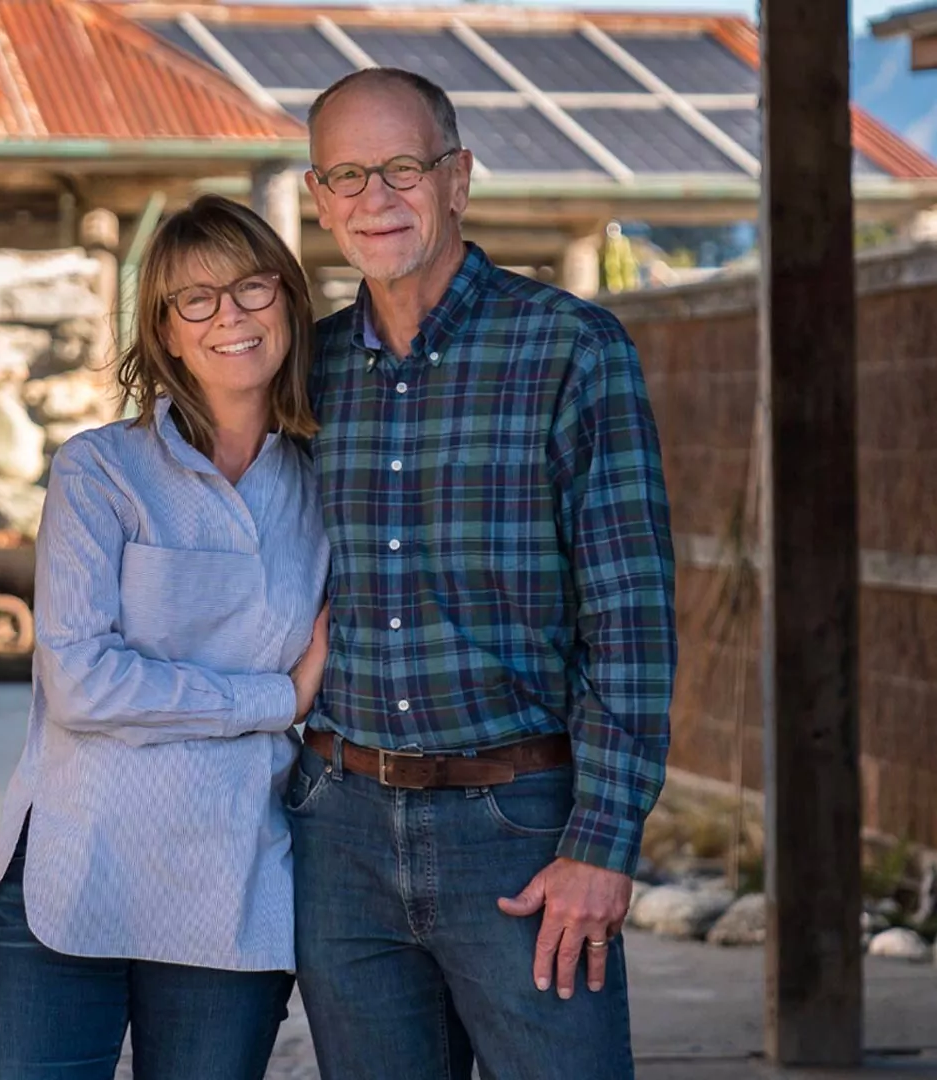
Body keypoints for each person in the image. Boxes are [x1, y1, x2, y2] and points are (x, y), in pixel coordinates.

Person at [292, 68, 677, 1080]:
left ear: (457, 178)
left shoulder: (570, 349)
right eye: (347, 175)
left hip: (520, 830)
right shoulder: (307, 370)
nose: (375, 198)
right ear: (316, 196)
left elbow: (630, 616)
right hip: (342, 833)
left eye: (403, 167)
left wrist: (602, 842)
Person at [0, 194, 330, 1080]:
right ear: (165, 333)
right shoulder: (100, 471)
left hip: (233, 879)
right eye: (195, 301)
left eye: (251, 289)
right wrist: (275, 697)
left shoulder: (330, 484)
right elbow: (83, 683)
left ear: (288, 300)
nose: (230, 318)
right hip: (75, 867)